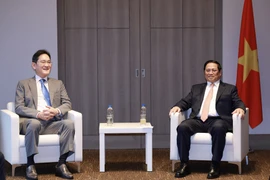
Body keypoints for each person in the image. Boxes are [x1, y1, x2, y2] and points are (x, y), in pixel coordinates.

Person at [169, 60, 246, 179]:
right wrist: (177, 106)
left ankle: (215, 165)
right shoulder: (196, 88)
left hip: (218, 120)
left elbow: (238, 102)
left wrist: (241, 108)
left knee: (219, 128)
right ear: (204, 72)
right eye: (207, 70)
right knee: (182, 127)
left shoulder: (229, 89)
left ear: (220, 73)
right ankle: (184, 164)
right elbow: (186, 101)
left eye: (214, 70)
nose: (210, 73)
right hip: (198, 120)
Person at [15, 49, 75, 180]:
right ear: (34, 65)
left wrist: (56, 111)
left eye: (49, 62)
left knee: (69, 124)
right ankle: (30, 164)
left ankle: (61, 164)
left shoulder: (58, 83)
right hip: (32, 123)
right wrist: (38, 114)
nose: (47, 64)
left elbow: (67, 103)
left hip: (52, 123)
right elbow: (19, 107)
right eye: (43, 61)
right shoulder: (24, 84)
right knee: (35, 123)